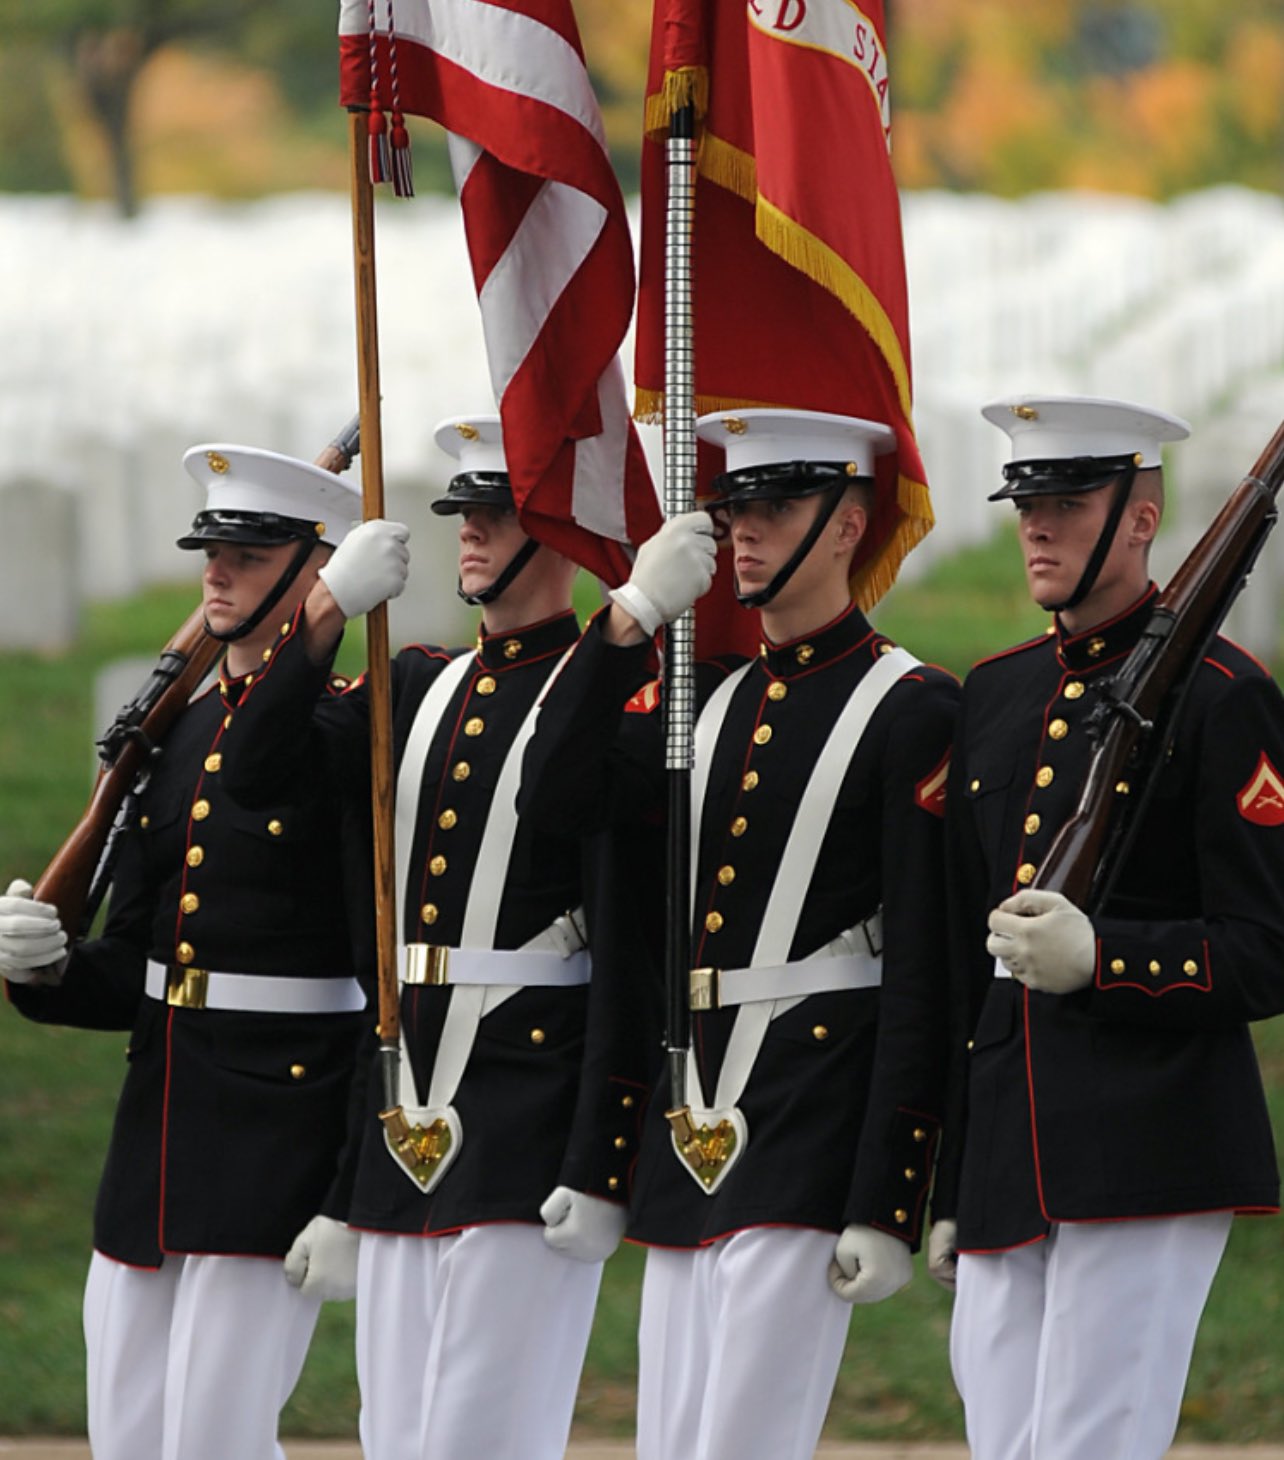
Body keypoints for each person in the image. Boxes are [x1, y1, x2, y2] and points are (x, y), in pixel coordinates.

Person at [519, 408, 958, 1460]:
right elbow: (555, 794)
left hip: (814, 1124)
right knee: (671, 1441)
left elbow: (923, 973)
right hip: (692, 1125)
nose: (744, 529)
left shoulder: (912, 708)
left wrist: (890, 1193)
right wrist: (627, 621)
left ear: (848, 525)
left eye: (778, 505)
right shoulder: (705, 703)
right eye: (734, 506)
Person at [0, 442, 409, 1460]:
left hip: (277, 1138)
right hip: (158, 1137)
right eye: (212, 552)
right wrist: (48, 968)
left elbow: (382, 989)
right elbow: (140, 961)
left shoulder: (348, 729)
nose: (217, 573)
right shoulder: (176, 737)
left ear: (317, 570)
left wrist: (350, 1190)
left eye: (251, 555)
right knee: (128, 1436)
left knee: (212, 1439)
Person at [299, 414, 660, 1460]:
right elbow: (266, 760)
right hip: (401, 1112)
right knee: (391, 1436)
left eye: (497, 513)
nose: (468, 529)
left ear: (559, 530)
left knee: (481, 1437)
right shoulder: (417, 683)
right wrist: (324, 610)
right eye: (463, 509)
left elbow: (625, 952)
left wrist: (600, 1157)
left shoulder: (614, 696)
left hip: (525, 1120)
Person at [930, 394, 1284, 1460]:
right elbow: (960, 966)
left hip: (1148, 1144)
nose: (1037, 526)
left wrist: (1105, 958)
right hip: (1008, 1155)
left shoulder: (1223, 697)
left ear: (1142, 517)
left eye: (1069, 503)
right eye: (1027, 504)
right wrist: (951, 1177)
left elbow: (1265, 948)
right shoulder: (997, 693)